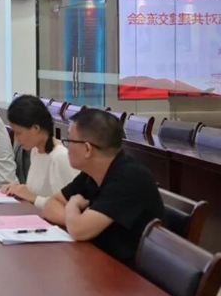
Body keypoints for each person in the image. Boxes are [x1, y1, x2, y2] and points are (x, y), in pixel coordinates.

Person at [42, 109, 164, 266]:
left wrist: (72, 205)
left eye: (69, 141)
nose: (67, 147)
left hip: (130, 274)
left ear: (87, 149)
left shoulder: (129, 177)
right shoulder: (92, 171)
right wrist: (73, 219)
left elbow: (78, 230)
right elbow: (50, 205)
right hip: (101, 260)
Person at [0, 95, 78, 209]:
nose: (16, 138)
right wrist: (18, 189)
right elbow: (39, 192)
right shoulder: (35, 150)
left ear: (36, 128)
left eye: (19, 133)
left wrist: (32, 197)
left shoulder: (60, 157)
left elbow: (68, 207)